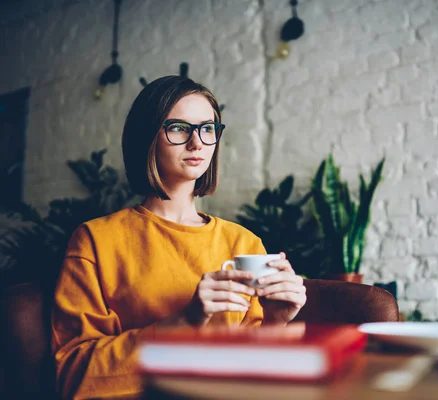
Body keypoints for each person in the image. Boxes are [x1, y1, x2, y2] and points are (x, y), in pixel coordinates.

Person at [50, 76, 307, 399]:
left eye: (207, 128)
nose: (197, 142)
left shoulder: (244, 242)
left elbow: (250, 375)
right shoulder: (95, 240)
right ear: (147, 137)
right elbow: (73, 375)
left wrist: (275, 321)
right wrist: (184, 321)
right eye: (178, 128)